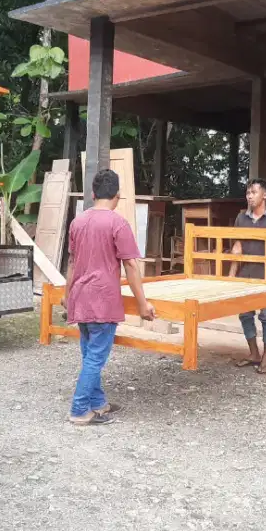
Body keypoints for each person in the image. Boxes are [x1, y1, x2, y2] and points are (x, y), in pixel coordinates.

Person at [64, 169, 155, 425]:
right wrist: (143, 304)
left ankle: (98, 403)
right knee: (95, 357)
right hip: (103, 302)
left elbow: (71, 262)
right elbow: (131, 266)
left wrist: (66, 294)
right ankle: (80, 409)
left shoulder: (77, 222)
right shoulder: (117, 223)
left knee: (89, 354)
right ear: (117, 196)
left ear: (92, 194)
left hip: (80, 299)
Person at [228, 177, 266, 375]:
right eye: (248, 193)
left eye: (253, 192)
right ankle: (254, 353)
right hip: (245, 275)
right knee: (245, 314)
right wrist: (229, 279)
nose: (250, 196)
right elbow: (237, 247)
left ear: (265, 195)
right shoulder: (241, 218)